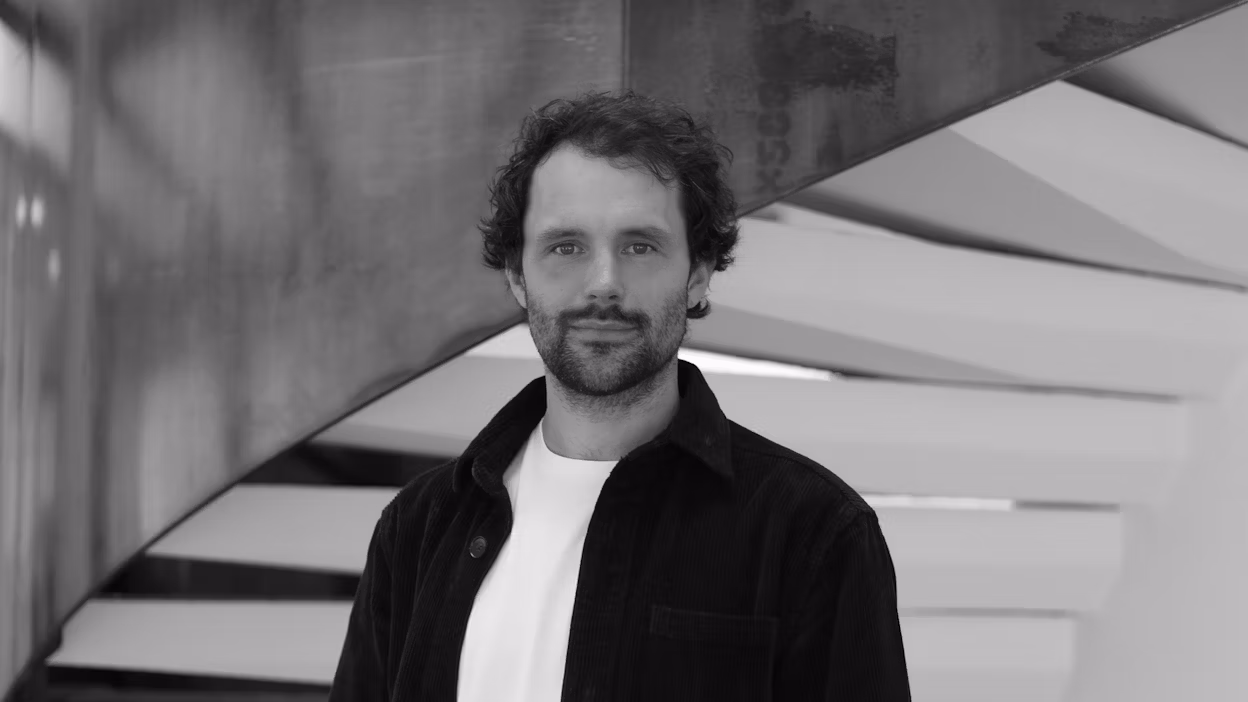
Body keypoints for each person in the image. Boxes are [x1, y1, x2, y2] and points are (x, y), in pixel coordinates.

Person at [328, 90, 911, 701]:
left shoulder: (811, 530)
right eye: (566, 246)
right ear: (517, 276)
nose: (603, 283)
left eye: (639, 245)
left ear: (697, 273)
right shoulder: (419, 527)